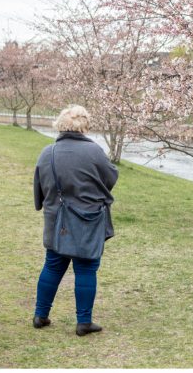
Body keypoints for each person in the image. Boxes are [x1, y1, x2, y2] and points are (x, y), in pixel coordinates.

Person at [32, 105, 118, 336]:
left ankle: (40, 315)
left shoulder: (46, 152)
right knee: (86, 268)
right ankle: (83, 323)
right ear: (85, 125)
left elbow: (38, 187)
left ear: (60, 124)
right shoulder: (94, 152)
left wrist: (46, 204)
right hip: (87, 220)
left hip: (55, 220)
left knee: (52, 265)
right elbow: (111, 177)